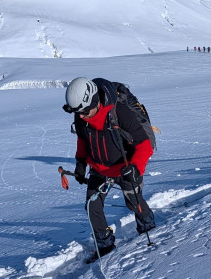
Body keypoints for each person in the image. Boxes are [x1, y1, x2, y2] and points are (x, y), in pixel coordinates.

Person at [65, 77, 155, 260]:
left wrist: (136, 168)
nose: (81, 116)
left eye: (84, 111)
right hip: (99, 168)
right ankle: (104, 245)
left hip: (125, 167)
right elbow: (82, 141)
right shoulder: (81, 114)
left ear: (95, 102)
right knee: (92, 206)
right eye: (77, 112)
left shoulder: (119, 112)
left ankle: (148, 227)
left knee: (134, 202)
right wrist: (80, 165)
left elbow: (144, 143)